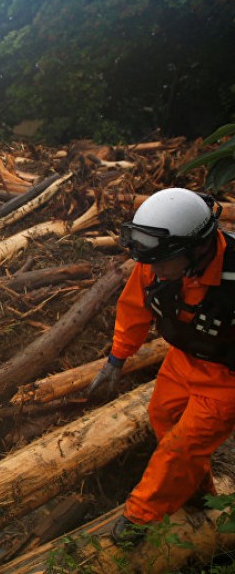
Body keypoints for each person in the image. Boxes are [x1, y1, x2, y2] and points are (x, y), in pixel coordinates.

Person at [88, 188, 235, 545]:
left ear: (196, 248)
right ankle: (198, 492)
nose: (153, 270)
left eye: (161, 262)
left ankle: (141, 515)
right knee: (162, 419)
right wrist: (116, 359)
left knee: (181, 447)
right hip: (182, 361)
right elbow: (134, 308)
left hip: (227, 378)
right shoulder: (158, 259)